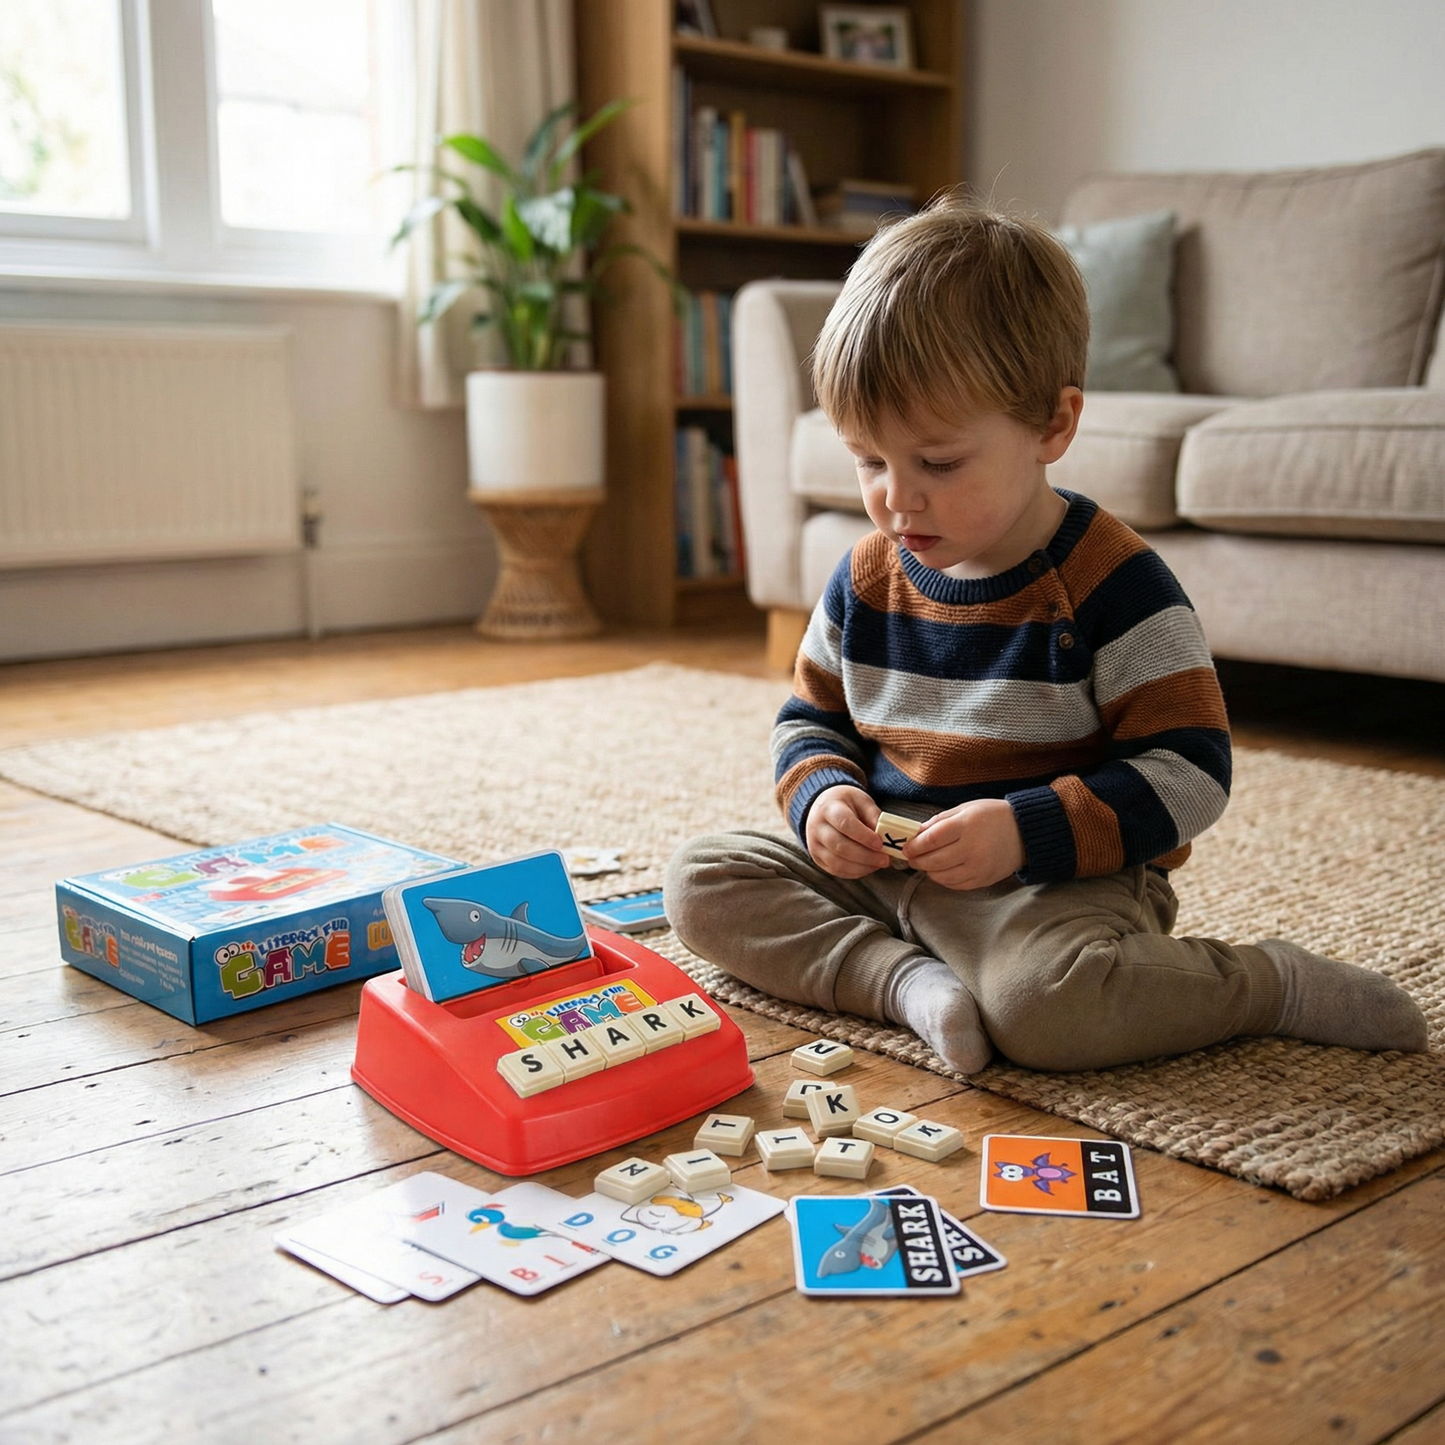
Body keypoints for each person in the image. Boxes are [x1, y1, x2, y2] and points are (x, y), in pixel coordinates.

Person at [664, 198, 1428, 1075]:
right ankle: (905, 984)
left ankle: (1263, 984)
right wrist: (823, 799)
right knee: (699, 881)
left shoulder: (1113, 585)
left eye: (937, 463)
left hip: (1049, 885)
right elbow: (810, 720)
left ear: (1051, 428)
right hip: (883, 873)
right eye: (868, 459)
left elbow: (1190, 774)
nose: (895, 499)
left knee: (1049, 1009)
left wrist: (1026, 831)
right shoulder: (865, 576)